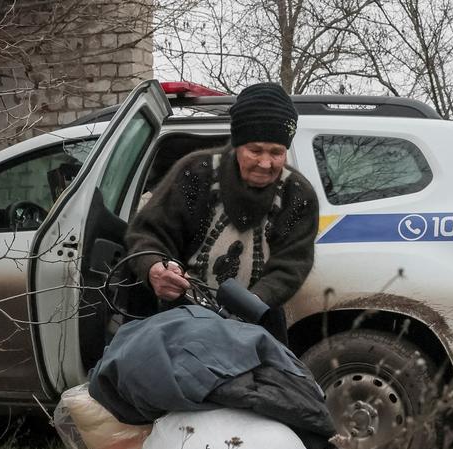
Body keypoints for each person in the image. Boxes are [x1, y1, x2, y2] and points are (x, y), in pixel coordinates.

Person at [125, 82, 320, 343]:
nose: (265, 163)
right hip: (181, 320)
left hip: (258, 325)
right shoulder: (195, 173)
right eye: (255, 150)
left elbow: (292, 264)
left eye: (276, 152)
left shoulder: (297, 194)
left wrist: (253, 303)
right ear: (237, 143)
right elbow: (148, 234)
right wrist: (154, 269)